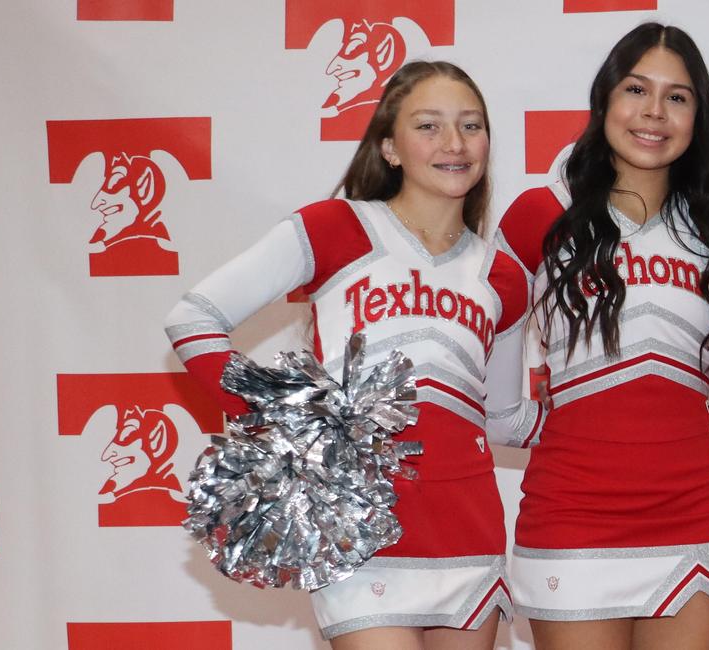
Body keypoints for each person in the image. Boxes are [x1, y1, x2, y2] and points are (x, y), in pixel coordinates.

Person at [164, 60, 533, 649]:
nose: (455, 144)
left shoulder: (504, 276)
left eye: (471, 125)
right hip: (360, 530)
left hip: (469, 529)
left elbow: (503, 419)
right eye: (429, 126)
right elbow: (194, 319)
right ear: (390, 146)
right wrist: (285, 422)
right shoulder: (334, 229)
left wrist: (614, 420)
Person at [492, 23, 709, 650]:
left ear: (698, 116)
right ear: (605, 98)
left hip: (692, 515)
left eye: (678, 97)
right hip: (573, 516)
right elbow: (494, 398)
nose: (653, 113)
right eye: (637, 89)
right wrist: (555, 427)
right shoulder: (537, 217)